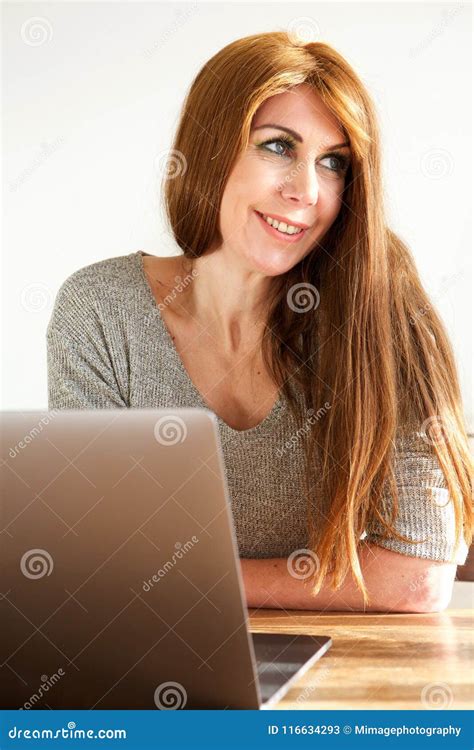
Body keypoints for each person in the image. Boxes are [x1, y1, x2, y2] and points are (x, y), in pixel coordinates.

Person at [47, 31, 472, 613]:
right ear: (211, 148)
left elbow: (417, 575)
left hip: (347, 675)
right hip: (153, 663)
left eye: (333, 163)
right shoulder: (101, 311)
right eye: (278, 147)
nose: (306, 191)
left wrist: (195, 583)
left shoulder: (379, 298)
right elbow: (99, 563)